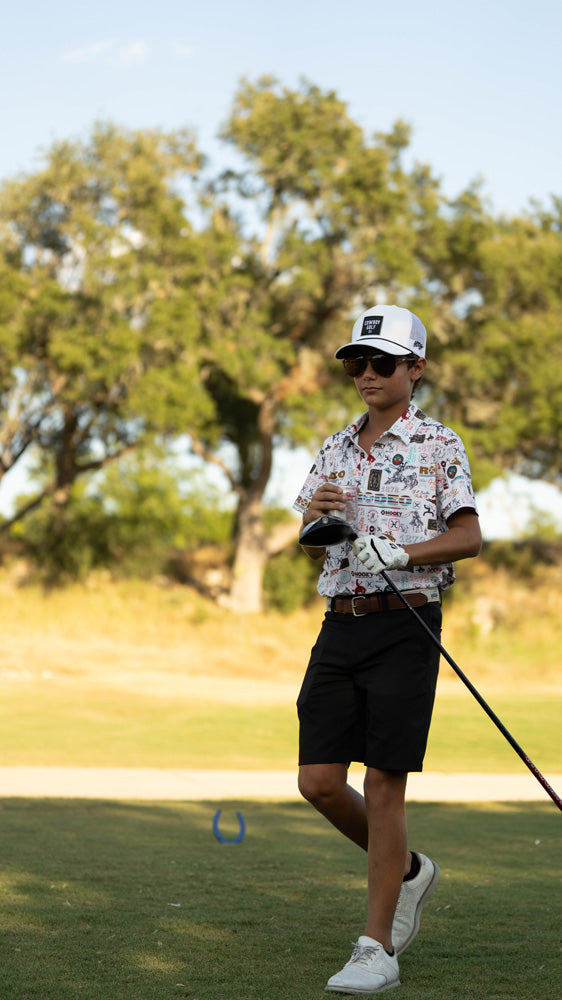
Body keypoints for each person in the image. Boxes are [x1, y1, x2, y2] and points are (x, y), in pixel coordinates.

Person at [293, 304, 482, 995]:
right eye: (356, 363)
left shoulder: (440, 444)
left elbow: (467, 536)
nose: (365, 375)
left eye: (381, 363)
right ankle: (407, 871)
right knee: (316, 780)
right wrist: (318, 518)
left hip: (407, 625)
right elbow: (310, 534)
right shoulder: (336, 445)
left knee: (382, 786)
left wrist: (401, 551)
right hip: (340, 622)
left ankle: (376, 947)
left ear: (416, 369)